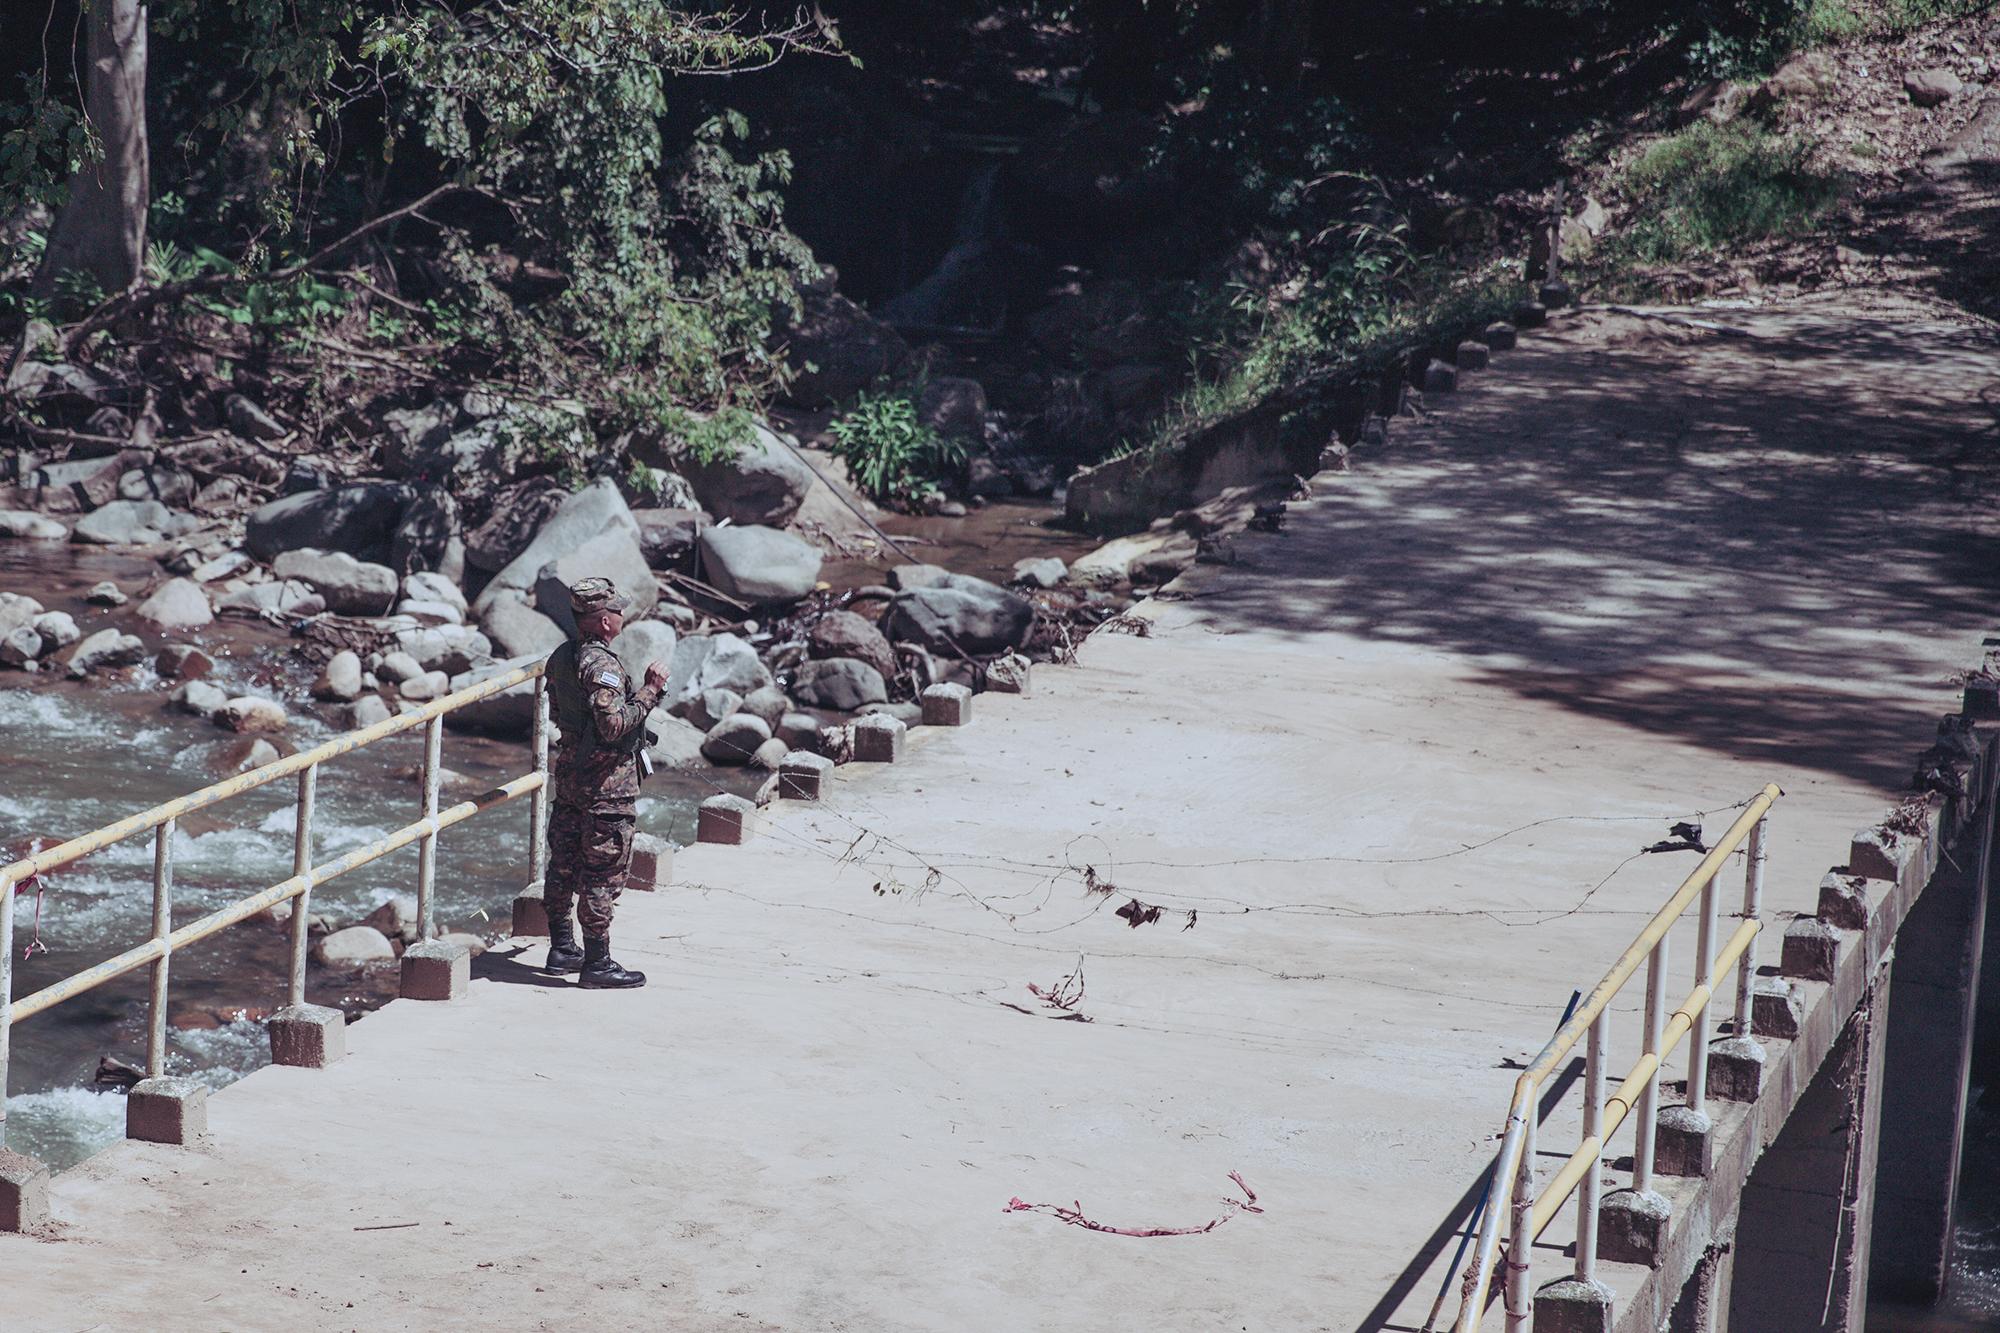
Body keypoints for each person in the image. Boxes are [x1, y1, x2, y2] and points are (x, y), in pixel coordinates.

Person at [541, 577, 668, 989]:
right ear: (603, 622)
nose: (621, 614)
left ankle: (562, 946)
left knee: (563, 863)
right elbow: (613, 725)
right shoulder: (601, 665)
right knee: (601, 872)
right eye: (616, 610)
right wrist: (649, 691)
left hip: (572, 778)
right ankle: (597, 963)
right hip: (605, 787)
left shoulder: (561, 656)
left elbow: (560, 712)